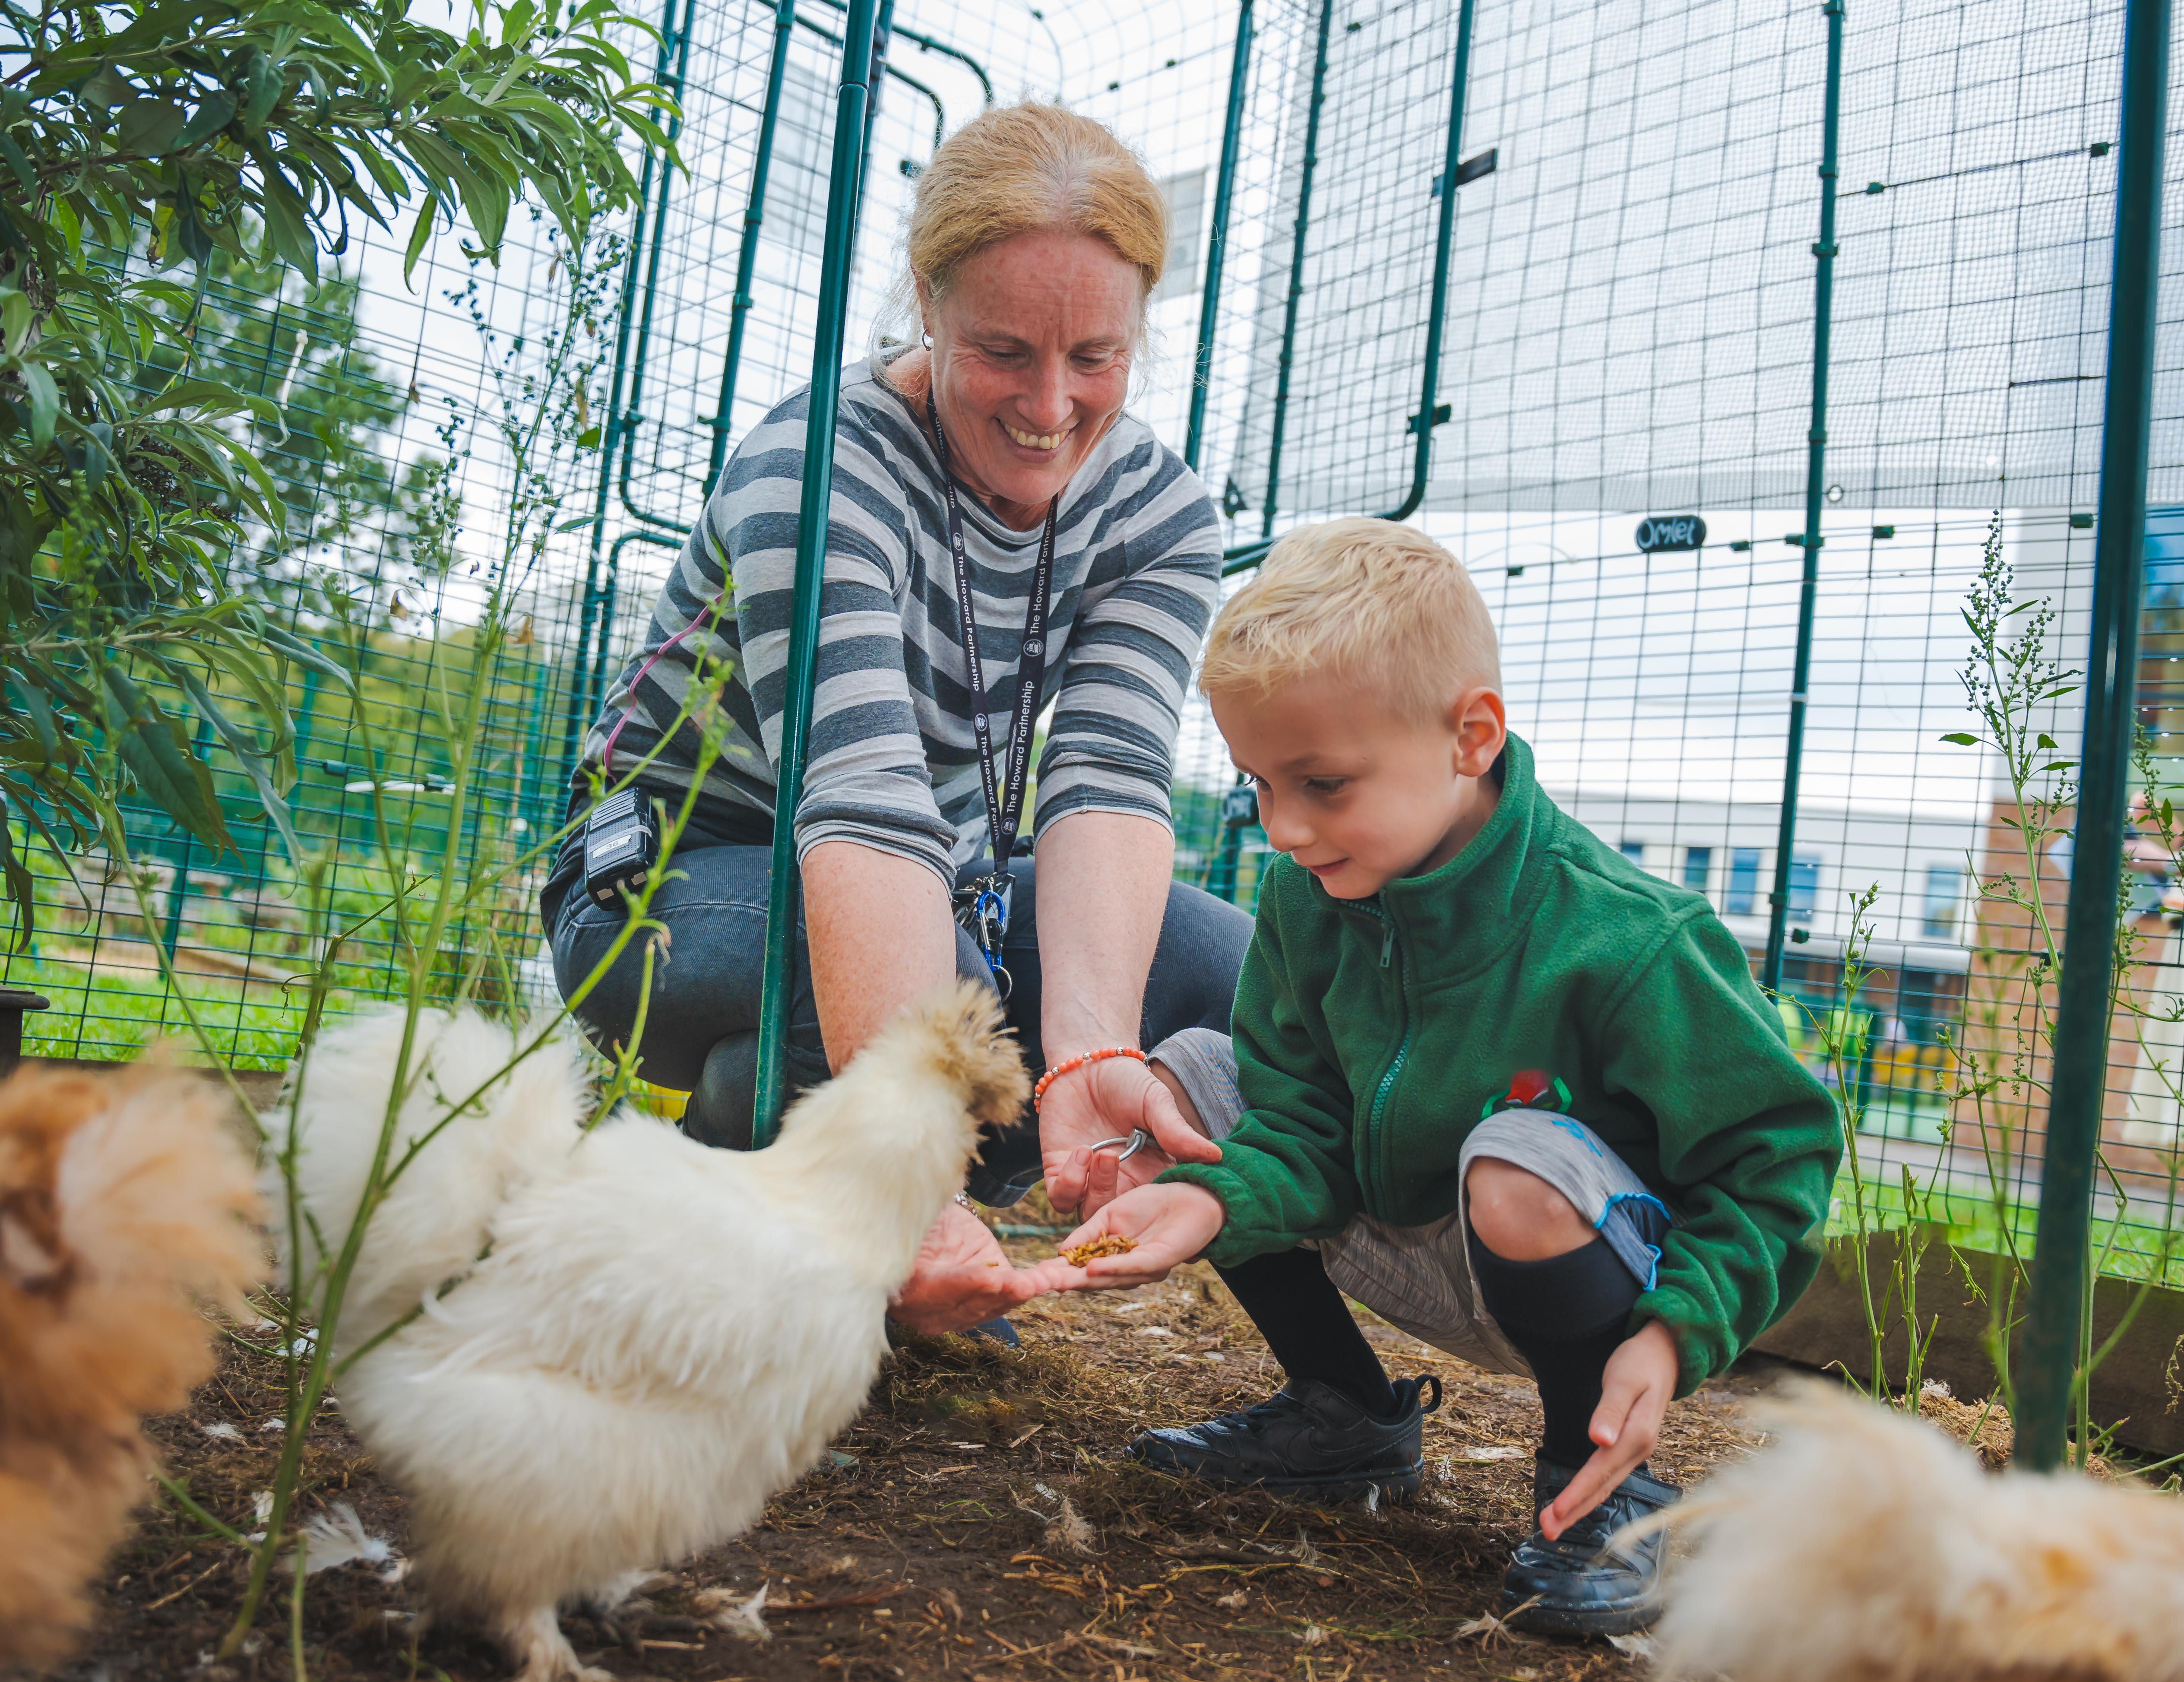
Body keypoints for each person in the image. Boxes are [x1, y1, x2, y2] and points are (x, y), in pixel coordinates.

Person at [1055, 519, 1841, 1637]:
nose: (1283, 828)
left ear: (1471, 737)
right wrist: (1209, 1198)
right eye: (1257, 785)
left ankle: (1596, 1497)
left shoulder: (1629, 940)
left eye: (1323, 784)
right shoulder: (1308, 898)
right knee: (1193, 1074)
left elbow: (1778, 1156)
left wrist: (1677, 1332)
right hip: (1411, 1234)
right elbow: (1299, 1119)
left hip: (1594, 1283)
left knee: (1516, 1158)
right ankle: (1344, 1415)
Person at [543, 103, 1253, 1337]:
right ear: (926, 300)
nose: (1049, 407)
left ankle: (760, 1137)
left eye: (1095, 357)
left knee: (1224, 963)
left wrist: (1092, 1056)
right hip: (666, 890)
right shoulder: (819, 468)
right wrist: (908, 1171)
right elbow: (863, 800)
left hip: (937, 894)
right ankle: (805, 1223)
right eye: (1002, 351)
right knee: (953, 999)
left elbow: (1106, 785)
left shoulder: (1161, 518)